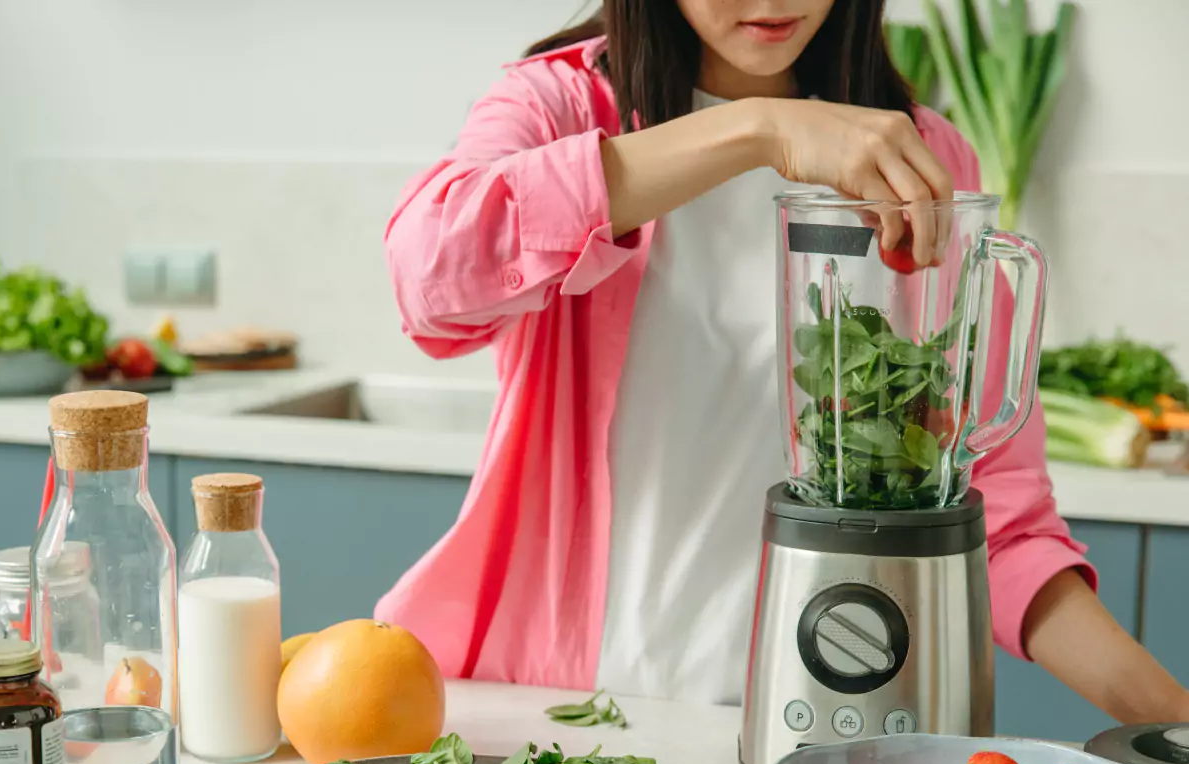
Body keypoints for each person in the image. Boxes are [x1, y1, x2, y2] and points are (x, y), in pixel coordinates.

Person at [375, 0, 1189, 725]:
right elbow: (429, 270)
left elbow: (995, 518)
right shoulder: (558, 108)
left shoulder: (919, 158)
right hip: (570, 715)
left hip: (829, 727)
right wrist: (759, 130)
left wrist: (1174, 721)